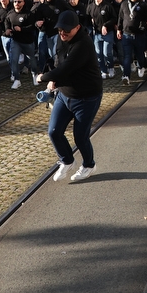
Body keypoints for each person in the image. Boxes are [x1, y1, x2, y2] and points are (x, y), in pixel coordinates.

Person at [39, 11, 103, 182]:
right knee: (54, 131)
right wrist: (54, 82)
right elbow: (59, 62)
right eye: (60, 29)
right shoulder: (62, 39)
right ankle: (67, 160)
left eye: (66, 30)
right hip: (64, 94)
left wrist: (44, 77)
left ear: (77, 27)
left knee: (80, 136)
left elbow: (66, 68)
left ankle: (89, 165)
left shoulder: (83, 44)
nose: (62, 33)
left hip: (86, 97)